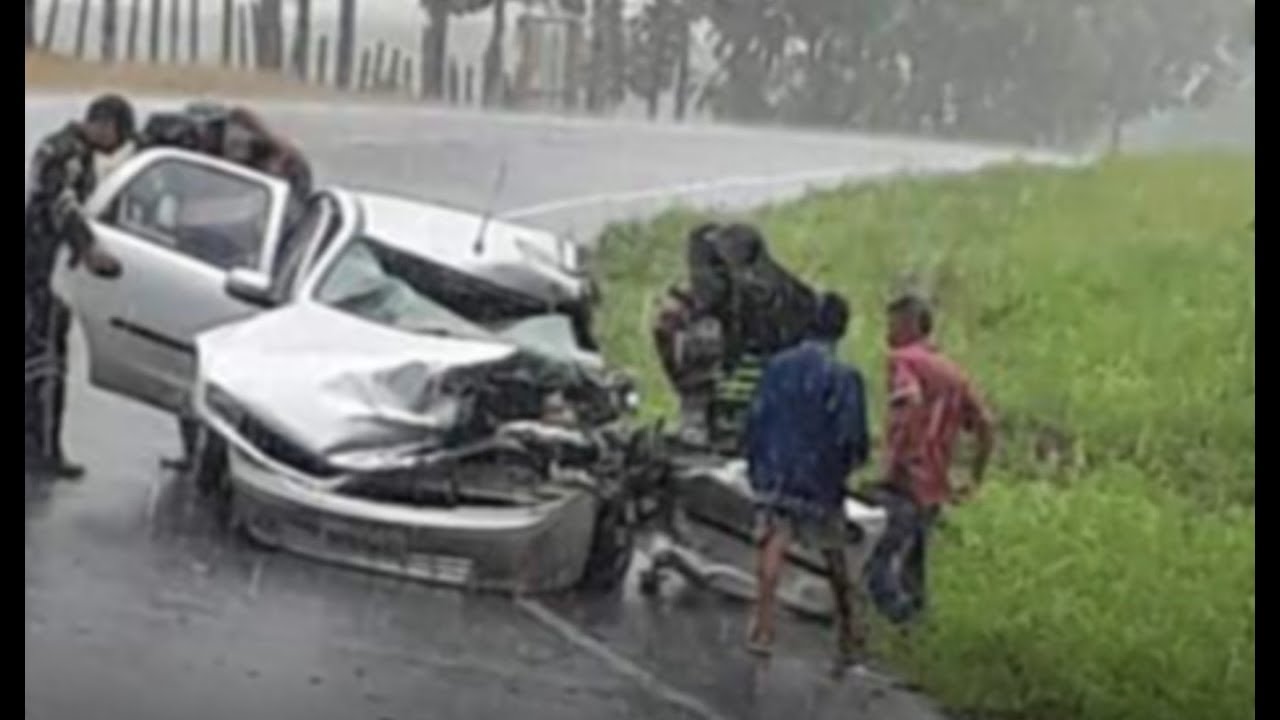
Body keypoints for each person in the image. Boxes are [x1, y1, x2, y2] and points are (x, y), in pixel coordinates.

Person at [743, 292, 871, 667]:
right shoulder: (844, 377)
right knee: (833, 553)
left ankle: (763, 627)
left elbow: (757, 415)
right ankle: (849, 632)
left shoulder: (778, 365)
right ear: (842, 329)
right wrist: (848, 466)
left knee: (773, 543)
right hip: (818, 476)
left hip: (776, 469)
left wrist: (756, 460)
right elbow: (851, 434)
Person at [865, 293, 995, 624]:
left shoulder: (902, 359)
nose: (887, 333)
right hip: (935, 483)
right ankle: (916, 628)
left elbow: (908, 401)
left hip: (906, 477)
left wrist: (893, 462)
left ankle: (892, 618)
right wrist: (975, 475)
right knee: (915, 562)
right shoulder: (953, 372)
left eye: (891, 324)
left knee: (877, 558)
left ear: (908, 324)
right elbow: (985, 423)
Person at [25, 95, 132, 479]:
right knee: (48, 362)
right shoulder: (68, 154)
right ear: (102, 124)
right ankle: (43, 450)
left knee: (37, 356)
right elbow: (63, 204)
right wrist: (88, 248)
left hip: (38, 265)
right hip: (46, 268)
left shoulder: (62, 148)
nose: (116, 146)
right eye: (119, 134)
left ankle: (36, 444)